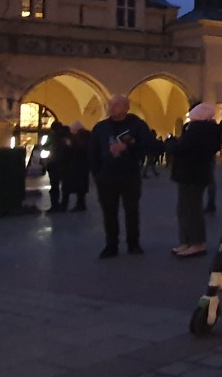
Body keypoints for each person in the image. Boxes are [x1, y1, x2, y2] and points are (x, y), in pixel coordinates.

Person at [88, 95, 157, 258]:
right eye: (110, 105)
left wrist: (128, 148)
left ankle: (133, 243)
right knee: (109, 211)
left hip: (129, 174)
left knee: (131, 210)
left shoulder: (137, 126)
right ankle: (111, 244)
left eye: (116, 105)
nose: (112, 108)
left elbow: (148, 146)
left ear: (126, 107)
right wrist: (97, 172)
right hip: (106, 176)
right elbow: (92, 151)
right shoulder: (101, 127)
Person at [170, 102, 222, 258]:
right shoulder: (207, 130)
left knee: (190, 209)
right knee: (186, 208)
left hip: (191, 174)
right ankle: (187, 242)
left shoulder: (197, 131)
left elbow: (182, 149)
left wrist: (171, 143)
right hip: (194, 174)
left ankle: (196, 243)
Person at [58, 122, 92, 212]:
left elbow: (76, 150)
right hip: (82, 166)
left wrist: (70, 145)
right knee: (80, 188)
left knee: (68, 186)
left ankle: (65, 205)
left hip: (74, 166)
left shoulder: (78, 139)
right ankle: (80, 204)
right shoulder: (87, 137)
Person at [44, 120, 72, 213]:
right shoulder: (67, 136)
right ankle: (64, 205)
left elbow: (45, 146)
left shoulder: (52, 136)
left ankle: (54, 205)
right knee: (65, 186)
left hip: (54, 163)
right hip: (66, 164)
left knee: (54, 186)